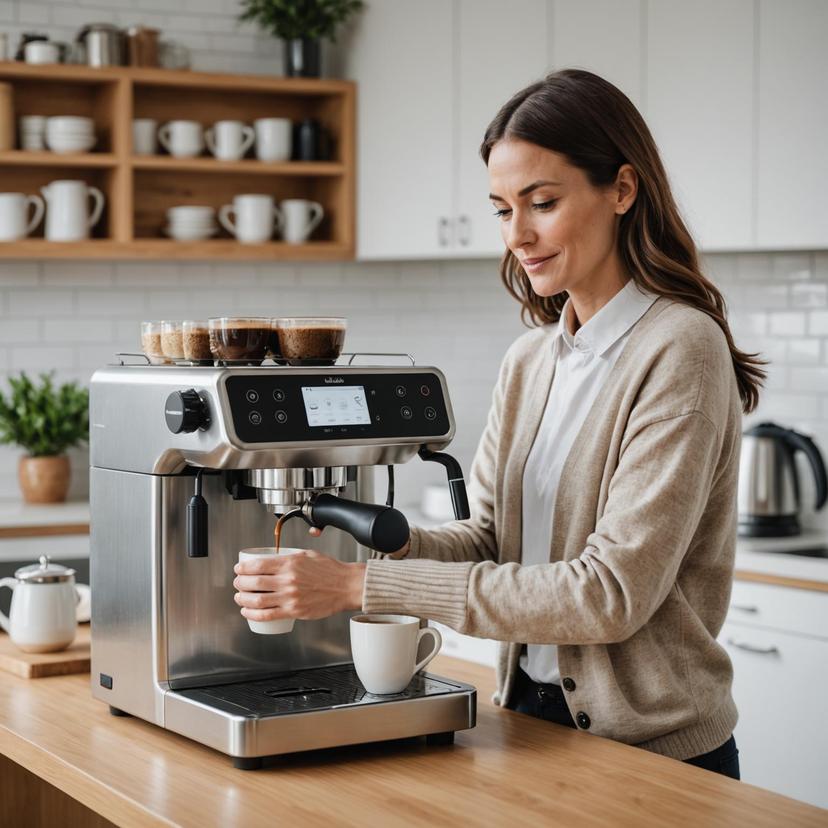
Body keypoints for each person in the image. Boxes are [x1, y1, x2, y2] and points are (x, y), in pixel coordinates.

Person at [233, 69, 766, 779]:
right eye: (502, 209)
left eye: (541, 202)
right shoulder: (533, 359)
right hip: (532, 722)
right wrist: (369, 549)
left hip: (656, 755)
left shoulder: (680, 348)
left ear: (623, 190)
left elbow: (606, 596)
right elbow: (489, 538)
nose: (518, 234)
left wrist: (359, 589)